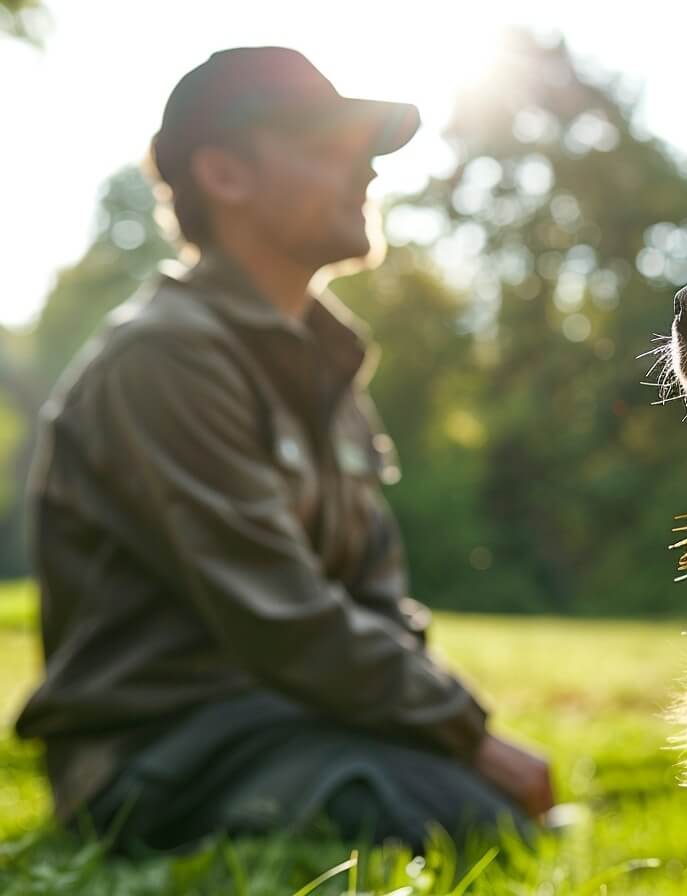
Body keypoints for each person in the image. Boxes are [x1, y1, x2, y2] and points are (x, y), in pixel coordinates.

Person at [14, 46, 553, 854]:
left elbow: (372, 604)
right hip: (159, 753)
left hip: (291, 720)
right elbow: (280, 614)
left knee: (467, 806)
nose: (366, 172)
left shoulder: (328, 369)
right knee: (422, 809)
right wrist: (466, 733)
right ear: (226, 173)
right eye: (328, 146)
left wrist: (443, 732)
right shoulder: (165, 358)